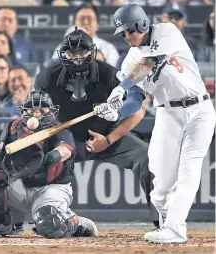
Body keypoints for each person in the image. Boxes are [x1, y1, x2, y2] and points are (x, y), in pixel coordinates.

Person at [106, 4, 215, 243]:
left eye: (129, 30)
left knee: (189, 172)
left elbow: (151, 60)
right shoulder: (128, 62)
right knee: (161, 186)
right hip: (168, 114)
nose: (126, 36)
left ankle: (176, 229)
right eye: (122, 33)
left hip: (200, 110)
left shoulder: (166, 31)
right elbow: (136, 101)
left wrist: (120, 87)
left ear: (142, 24)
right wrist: (116, 111)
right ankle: (167, 221)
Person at [36, 27, 159, 227]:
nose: (77, 57)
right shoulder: (47, 77)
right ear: (63, 54)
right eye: (72, 53)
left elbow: (137, 109)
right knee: (37, 159)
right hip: (67, 139)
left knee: (146, 156)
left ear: (91, 51)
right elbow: (35, 112)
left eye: (82, 52)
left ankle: (161, 218)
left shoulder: (109, 74)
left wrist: (109, 138)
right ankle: (44, 216)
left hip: (108, 136)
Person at [0, 90, 98, 238]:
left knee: (49, 226)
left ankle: (74, 222)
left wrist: (49, 158)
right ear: (24, 111)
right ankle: (6, 224)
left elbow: (66, 150)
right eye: (32, 110)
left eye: (41, 110)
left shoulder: (59, 130)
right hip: (21, 183)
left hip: (51, 188)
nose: (36, 114)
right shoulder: (12, 128)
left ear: (51, 111)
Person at [52, 4, 119, 67]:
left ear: (97, 24)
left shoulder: (108, 48)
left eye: (90, 19)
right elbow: (53, 69)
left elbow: (115, 74)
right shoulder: (62, 47)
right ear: (74, 23)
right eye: (81, 19)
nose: (85, 22)